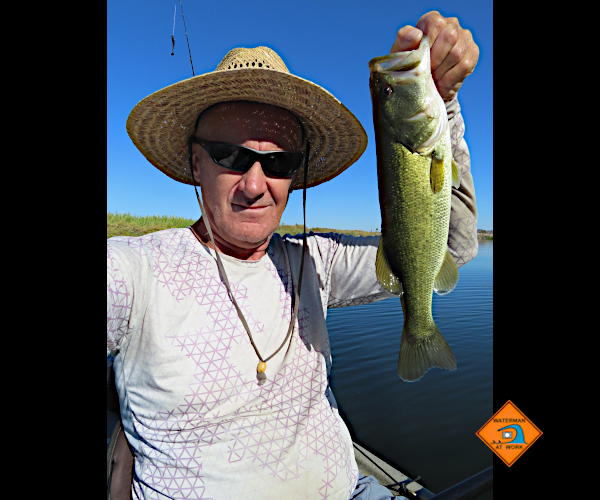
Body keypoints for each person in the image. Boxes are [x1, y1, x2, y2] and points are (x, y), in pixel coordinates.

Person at [107, 11, 479, 500]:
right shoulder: (134, 270)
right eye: (231, 156)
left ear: (295, 176)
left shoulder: (315, 262)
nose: (256, 185)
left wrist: (444, 106)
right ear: (197, 163)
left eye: (278, 162)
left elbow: (451, 246)